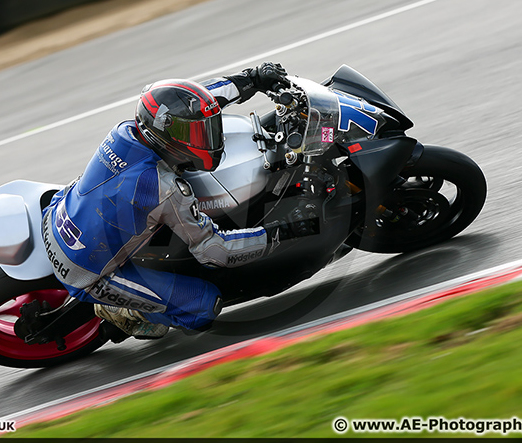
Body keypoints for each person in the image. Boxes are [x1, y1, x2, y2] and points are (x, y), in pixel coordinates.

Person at [41, 62, 316, 340]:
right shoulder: (165, 188)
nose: (207, 137)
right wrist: (282, 232)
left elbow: (199, 101)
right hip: (87, 272)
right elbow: (214, 251)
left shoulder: (126, 129)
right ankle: (119, 311)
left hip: (58, 215)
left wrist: (252, 79)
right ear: (165, 135)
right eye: (195, 134)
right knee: (203, 307)